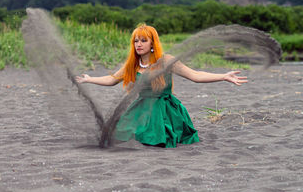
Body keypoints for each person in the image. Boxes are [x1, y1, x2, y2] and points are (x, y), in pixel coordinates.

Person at [75, 23, 248, 148]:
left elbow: (195, 75)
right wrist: (90, 79)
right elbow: (112, 79)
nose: (139, 44)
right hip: (140, 108)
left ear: (152, 43)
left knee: (155, 139)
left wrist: (224, 76)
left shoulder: (165, 61)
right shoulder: (132, 64)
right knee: (118, 135)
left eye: (143, 40)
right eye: (136, 41)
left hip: (164, 110)